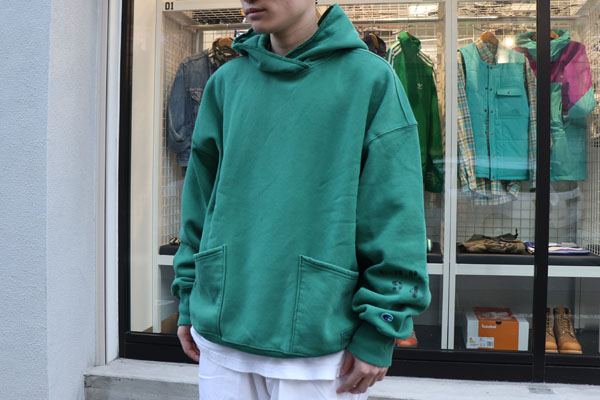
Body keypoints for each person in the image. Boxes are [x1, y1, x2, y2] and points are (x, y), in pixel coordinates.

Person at [171, 1, 431, 398]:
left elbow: (395, 213)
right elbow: (201, 203)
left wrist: (382, 326)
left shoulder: (370, 79)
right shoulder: (226, 83)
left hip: (321, 346)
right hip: (223, 334)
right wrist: (189, 296)